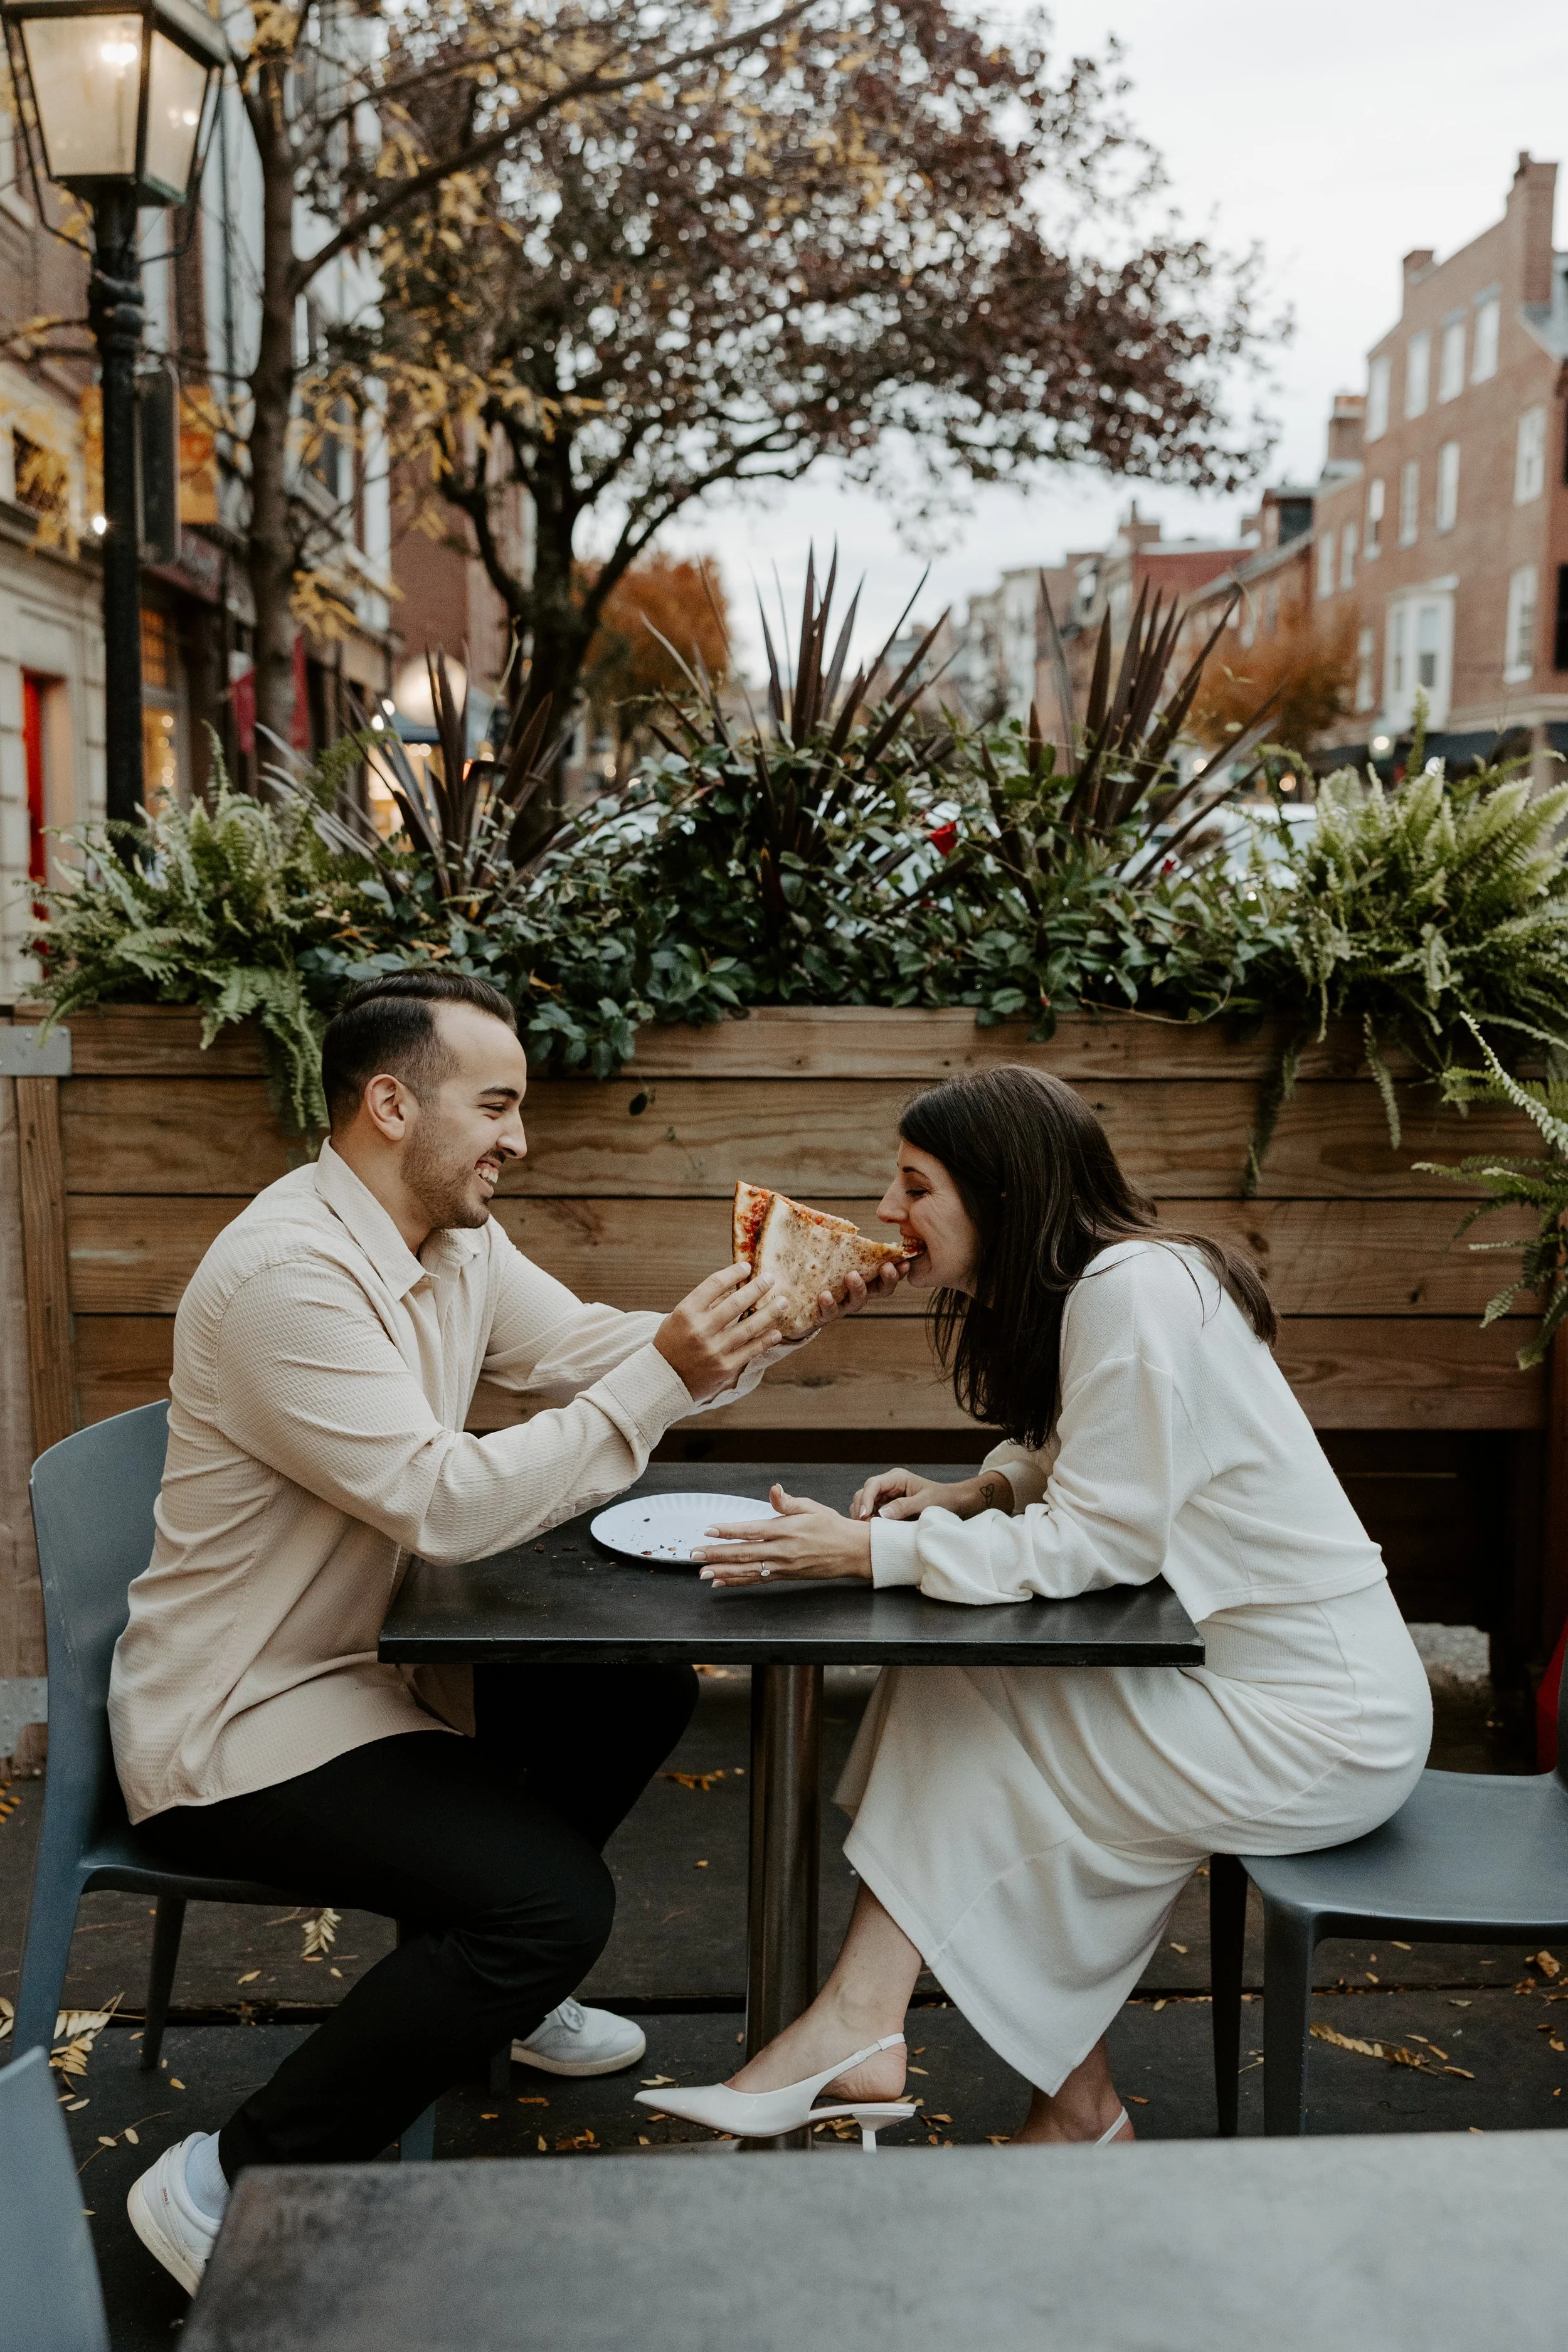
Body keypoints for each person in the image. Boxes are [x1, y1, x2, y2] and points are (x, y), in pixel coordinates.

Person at [116, 969, 899, 2289]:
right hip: (237, 1723)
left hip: (369, 1668)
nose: (519, 1138)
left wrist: (769, 1318)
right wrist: (666, 1372)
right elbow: (444, 1503)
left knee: (631, 1689)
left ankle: (494, 1993)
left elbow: (597, 1354)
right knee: (550, 1904)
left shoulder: (452, 1242)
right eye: (495, 1105)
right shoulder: (283, 1281)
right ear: (386, 1104)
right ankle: (223, 2185)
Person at [653, 1063, 1432, 2149]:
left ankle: (897, 2040)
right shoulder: (1124, 1283)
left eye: (916, 1185)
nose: (888, 1211)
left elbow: (1107, 1539)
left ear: (1003, 1196)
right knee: (954, 1699)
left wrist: (868, 1549)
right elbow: (1126, 1461)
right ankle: (1014, 2087)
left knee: (966, 1723)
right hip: (1240, 1680)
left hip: (1319, 1721)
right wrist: (981, 1491)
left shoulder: (1133, 1288)